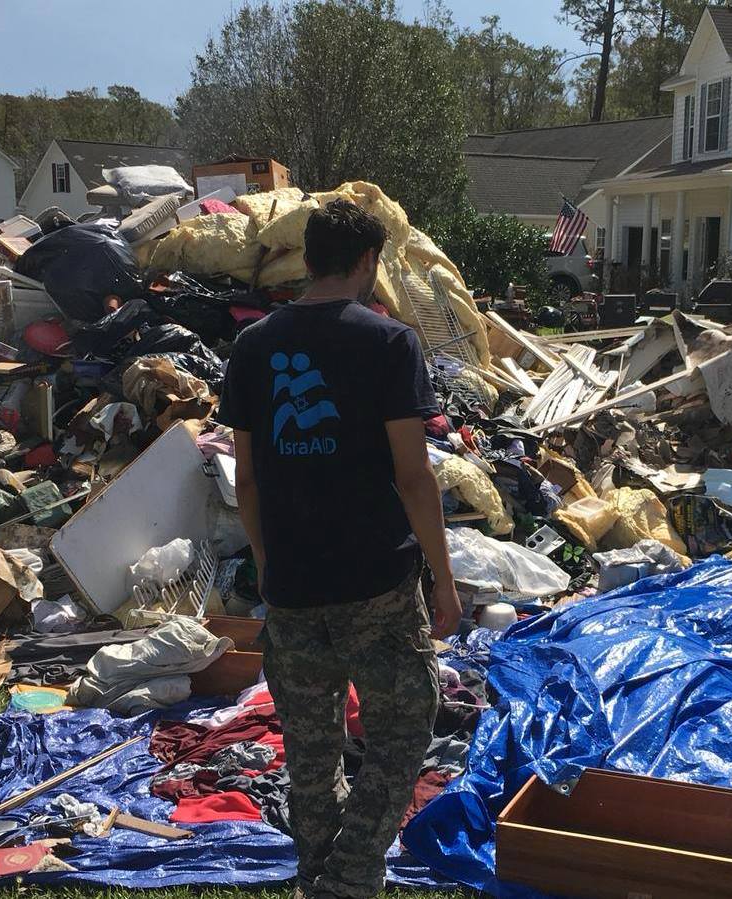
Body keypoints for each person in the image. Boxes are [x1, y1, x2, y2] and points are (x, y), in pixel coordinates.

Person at [217, 199, 461, 899]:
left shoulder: (254, 346)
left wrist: (267, 566)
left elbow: (248, 475)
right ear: (365, 263)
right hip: (376, 582)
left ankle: (317, 877)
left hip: (293, 585)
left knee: (311, 750)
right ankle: (348, 879)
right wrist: (442, 580)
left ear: (308, 258)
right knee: (403, 728)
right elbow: (414, 475)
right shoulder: (388, 343)